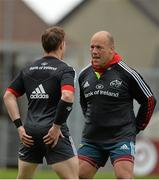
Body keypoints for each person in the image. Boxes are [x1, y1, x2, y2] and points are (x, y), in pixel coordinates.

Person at [78, 30, 157, 179]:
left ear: (111, 50)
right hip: (93, 138)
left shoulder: (127, 73)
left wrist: (137, 127)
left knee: (123, 176)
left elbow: (149, 100)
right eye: (92, 47)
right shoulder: (83, 74)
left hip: (120, 137)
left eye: (99, 47)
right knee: (78, 175)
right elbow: (85, 104)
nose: (94, 51)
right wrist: (92, 119)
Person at [3, 26, 79, 179]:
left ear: (43, 45)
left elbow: (8, 96)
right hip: (54, 133)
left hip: (30, 132)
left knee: (23, 178)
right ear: (61, 45)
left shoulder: (28, 69)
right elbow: (68, 96)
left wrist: (19, 127)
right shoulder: (65, 70)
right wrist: (56, 127)